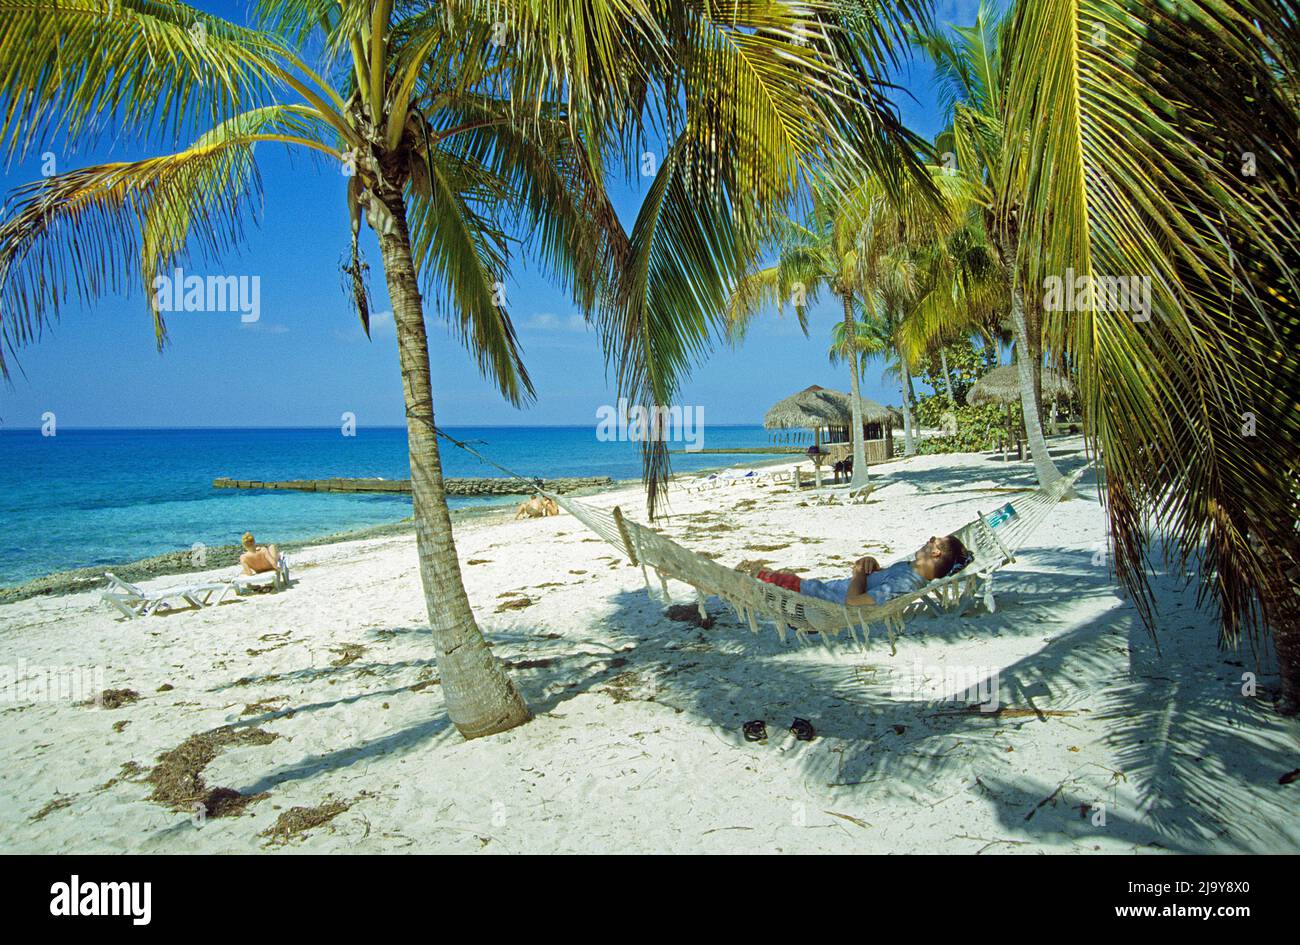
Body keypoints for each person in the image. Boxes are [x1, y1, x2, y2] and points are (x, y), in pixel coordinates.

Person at [752, 534, 968, 607]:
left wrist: (857, 572)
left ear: (936, 553)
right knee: (767, 577)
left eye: (933, 540)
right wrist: (869, 562)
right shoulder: (908, 571)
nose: (928, 540)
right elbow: (880, 581)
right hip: (820, 590)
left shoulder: (907, 583)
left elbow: (853, 602)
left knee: (754, 582)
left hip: (817, 598)